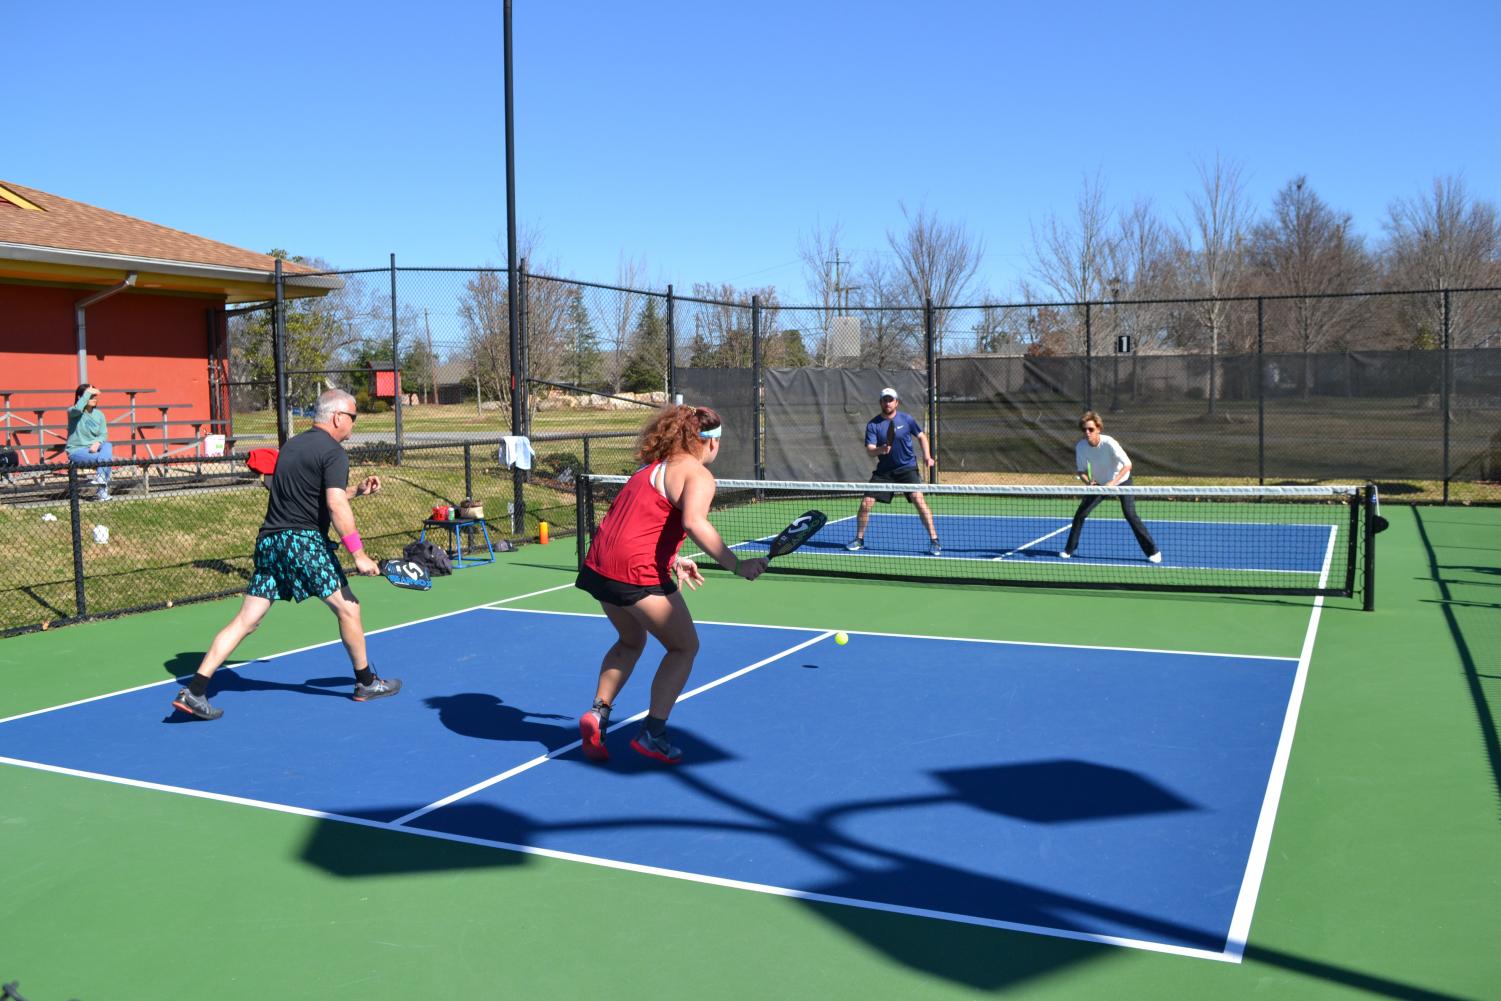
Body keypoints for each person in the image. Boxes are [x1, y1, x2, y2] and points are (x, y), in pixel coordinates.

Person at [171, 389, 400, 720]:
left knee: (246, 620)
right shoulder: (334, 453)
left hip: (270, 542)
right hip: (301, 542)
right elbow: (334, 504)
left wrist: (357, 491)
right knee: (349, 608)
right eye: (353, 417)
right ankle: (366, 683)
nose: (353, 424)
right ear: (337, 417)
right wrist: (359, 554)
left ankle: (194, 691)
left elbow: (315, 495)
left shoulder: (291, 447)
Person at [575, 404, 768, 765]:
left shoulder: (650, 469)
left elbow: (636, 523)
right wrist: (736, 564)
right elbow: (694, 522)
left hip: (600, 568)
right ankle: (654, 733)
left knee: (631, 640)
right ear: (711, 443)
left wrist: (673, 559)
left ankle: (598, 713)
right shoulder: (698, 475)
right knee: (684, 647)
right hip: (635, 574)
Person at [844, 387, 940, 556]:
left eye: (890, 400)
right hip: (884, 472)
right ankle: (859, 539)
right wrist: (881, 449)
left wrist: (927, 456)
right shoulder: (873, 424)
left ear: (896, 402)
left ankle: (934, 540)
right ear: (881, 402)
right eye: (885, 400)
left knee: (919, 500)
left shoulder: (907, 419)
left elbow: (922, 436)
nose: (887, 403)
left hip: (907, 468)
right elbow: (870, 451)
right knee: (866, 503)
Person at [1060, 410, 1162, 563]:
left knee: (1130, 514)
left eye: (1091, 429)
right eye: (1084, 430)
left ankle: (1152, 551)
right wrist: (1089, 482)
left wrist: (1113, 483)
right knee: (1080, 514)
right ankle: (1069, 549)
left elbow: (1128, 465)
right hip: (1100, 485)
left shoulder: (1109, 443)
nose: (1087, 432)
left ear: (1098, 429)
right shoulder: (1081, 446)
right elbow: (1081, 471)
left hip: (1122, 481)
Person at [66, 384, 114, 500]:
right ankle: (102, 491)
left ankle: (100, 478)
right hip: (77, 451)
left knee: (107, 445)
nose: (94, 399)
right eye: (90, 396)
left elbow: (103, 434)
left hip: (94, 449)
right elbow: (78, 409)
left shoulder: (99, 415)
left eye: (94, 396)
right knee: (107, 460)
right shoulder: (73, 412)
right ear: (80, 398)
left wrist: (97, 442)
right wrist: (88, 392)